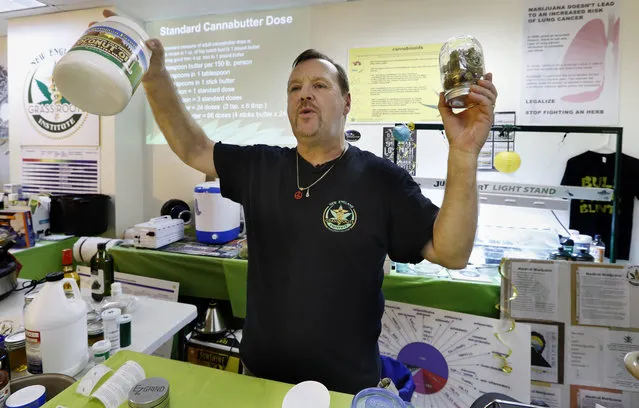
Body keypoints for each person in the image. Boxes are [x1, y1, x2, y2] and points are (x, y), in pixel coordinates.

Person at [103, 8, 497, 394]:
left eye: (319, 86)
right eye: (295, 88)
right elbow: (192, 147)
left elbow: (452, 252)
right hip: (260, 380)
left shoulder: (382, 180)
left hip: (345, 389)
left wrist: (463, 153)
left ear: (346, 102)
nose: (304, 94)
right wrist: (155, 78)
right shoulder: (261, 166)